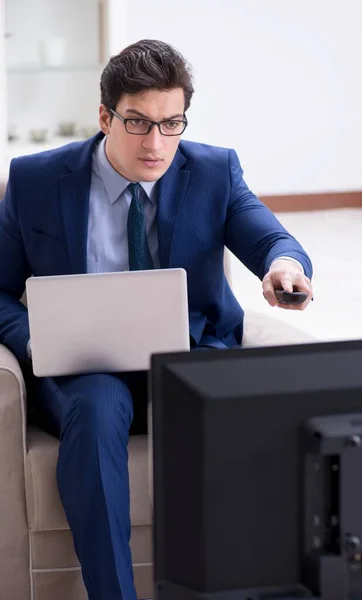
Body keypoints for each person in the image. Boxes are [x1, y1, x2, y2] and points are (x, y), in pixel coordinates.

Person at [0, 39, 313, 600]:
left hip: (187, 358)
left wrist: (283, 267)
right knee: (97, 408)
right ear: (105, 116)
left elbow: (271, 237)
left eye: (172, 124)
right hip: (84, 370)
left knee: (256, 413)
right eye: (139, 123)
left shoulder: (214, 170)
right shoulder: (36, 180)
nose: (156, 143)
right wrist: (40, 337)